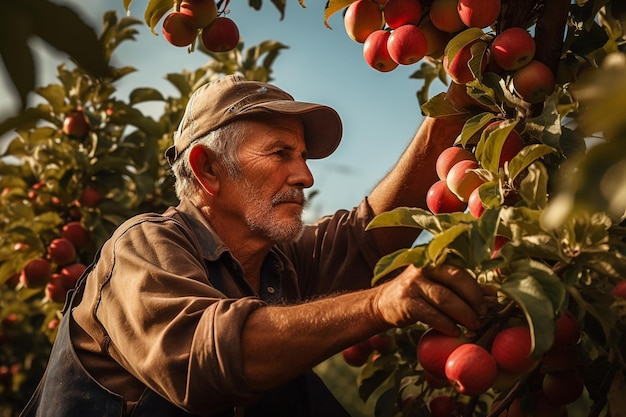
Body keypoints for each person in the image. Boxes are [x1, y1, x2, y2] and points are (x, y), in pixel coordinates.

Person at [21, 74, 487, 417]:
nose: (306, 176)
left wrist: (446, 118)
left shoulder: (277, 263)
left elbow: (365, 237)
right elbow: (208, 358)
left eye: (302, 156)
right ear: (207, 170)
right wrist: (380, 303)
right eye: (281, 153)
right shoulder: (144, 246)